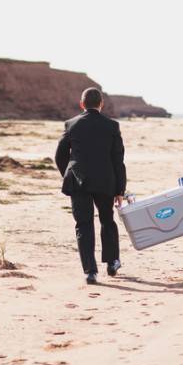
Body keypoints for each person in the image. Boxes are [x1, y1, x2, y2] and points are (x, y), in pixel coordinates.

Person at [55, 88, 126, 285]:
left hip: (78, 180)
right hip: (105, 181)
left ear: (82, 104)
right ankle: (112, 262)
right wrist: (120, 189)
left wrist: (68, 174)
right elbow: (118, 160)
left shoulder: (71, 124)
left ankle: (90, 271)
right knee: (107, 220)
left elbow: (59, 155)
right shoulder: (112, 126)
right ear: (101, 104)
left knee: (83, 225)